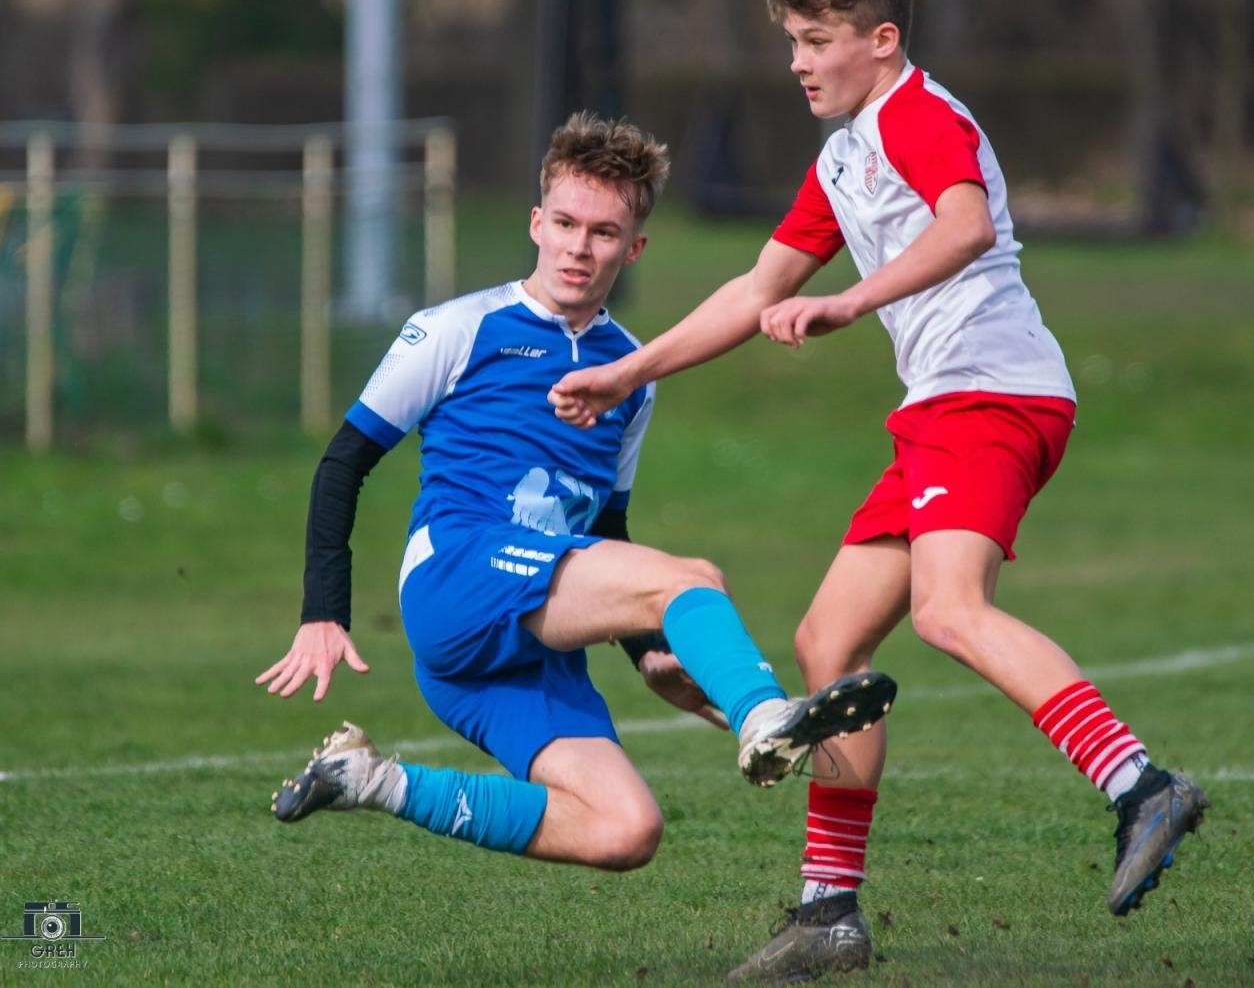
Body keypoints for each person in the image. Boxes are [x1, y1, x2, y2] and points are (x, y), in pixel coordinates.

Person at [548, 0, 1208, 979]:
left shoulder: (920, 116)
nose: (799, 61)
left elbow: (967, 225)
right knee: (827, 641)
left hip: (993, 395)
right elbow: (752, 290)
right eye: (793, 42)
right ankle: (829, 912)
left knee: (949, 609)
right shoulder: (846, 150)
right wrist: (632, 373)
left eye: (816, 40)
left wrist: (851, 299)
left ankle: (1139, 783)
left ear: (882, 39)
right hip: (941, 411)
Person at [256, 111, 896, 877]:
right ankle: (762, 714)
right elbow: (342, 463)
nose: (578, 247)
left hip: (527, 640)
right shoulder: (458, 329)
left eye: (602, 231)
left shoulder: (632, 370)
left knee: (624, 830)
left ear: (634, 247)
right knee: (692, 578)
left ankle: (371, 779)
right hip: (460, 578)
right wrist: (323, 611)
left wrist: (648, 651)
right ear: (536, 222)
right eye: (564, 222)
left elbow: (608, 522)